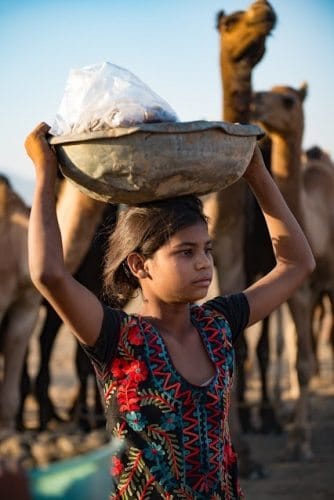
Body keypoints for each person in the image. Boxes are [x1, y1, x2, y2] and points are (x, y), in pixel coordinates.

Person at [25, 122, 315, 499]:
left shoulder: (218, 323)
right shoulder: (117, 337)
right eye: (185, 252)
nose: (203, 264)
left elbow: (297, 264)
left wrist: (257, 173)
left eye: (207, 250)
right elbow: (49, 273)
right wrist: (45, 172)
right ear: (139, 265)